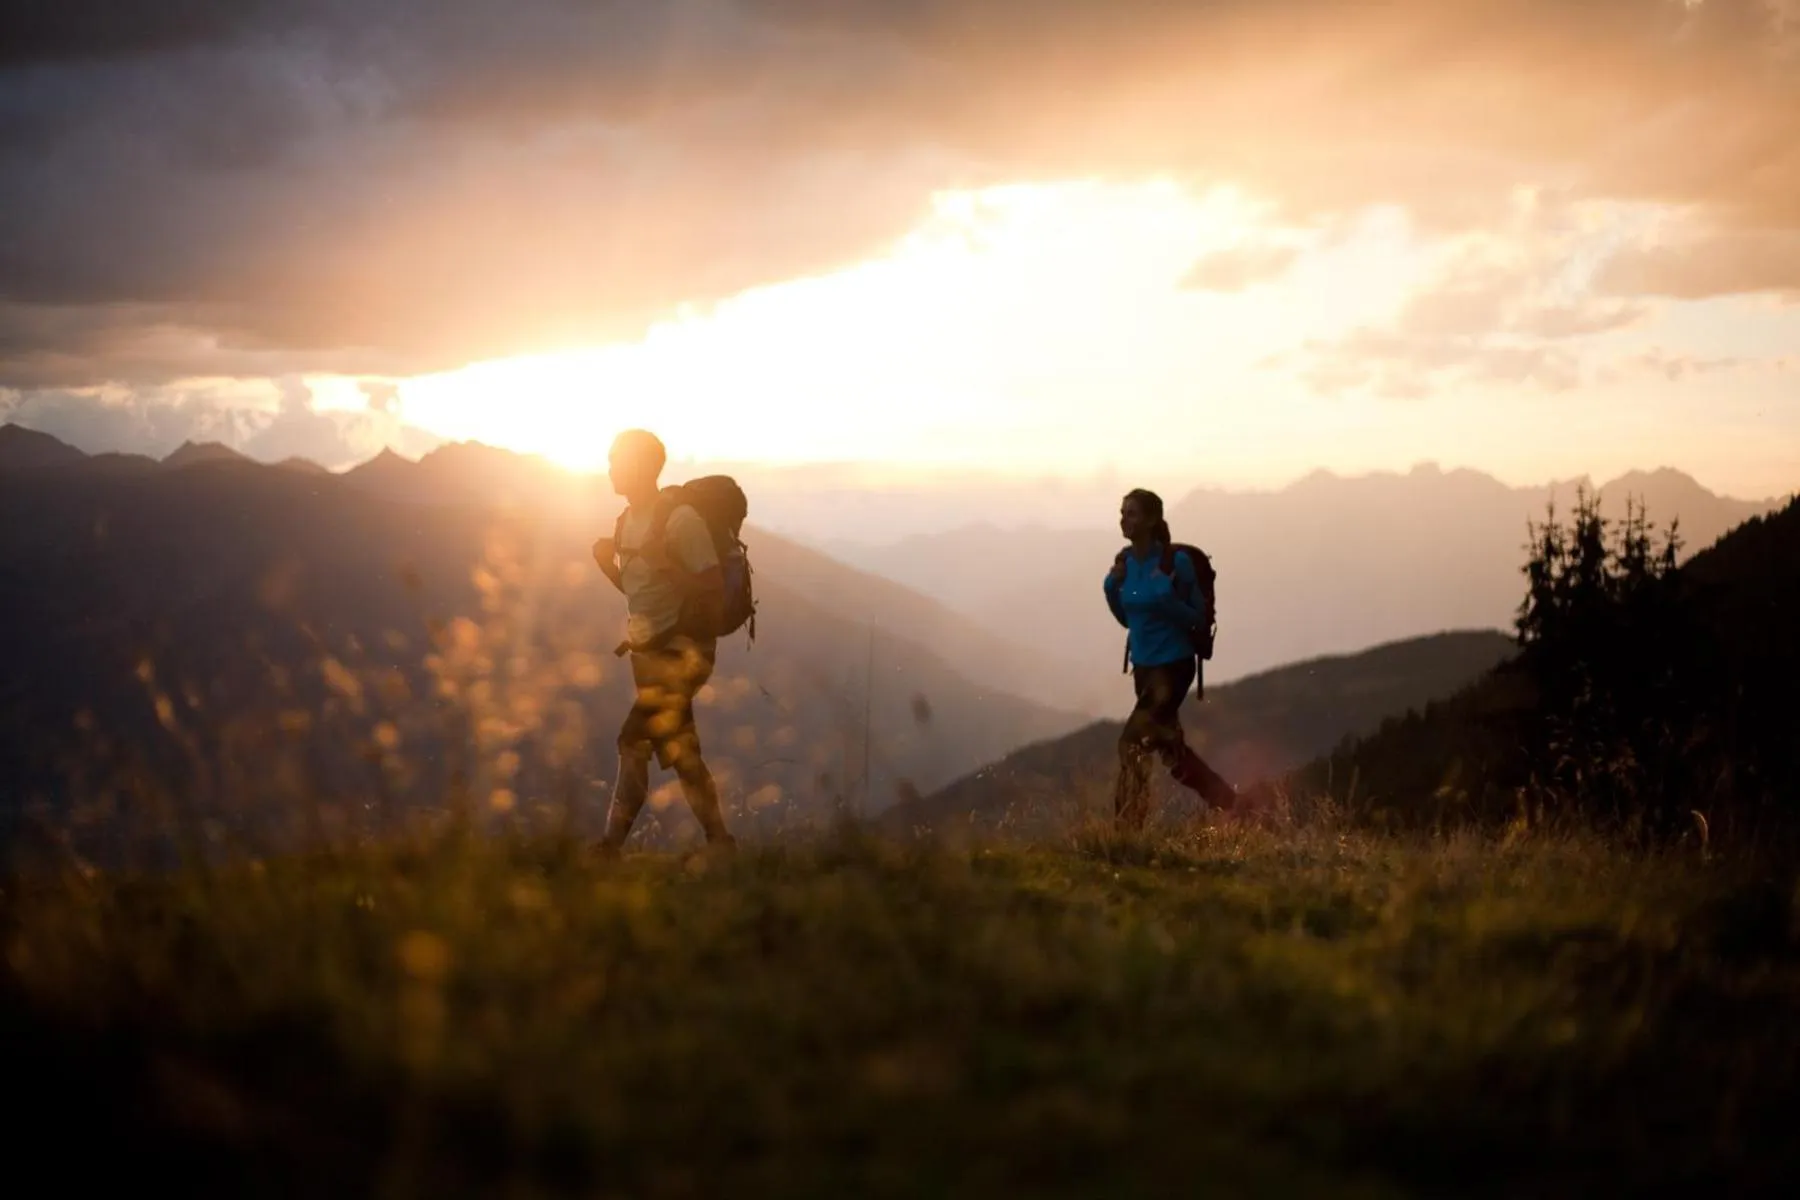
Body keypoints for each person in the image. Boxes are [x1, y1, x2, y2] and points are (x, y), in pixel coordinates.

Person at [590, 429, 736, 855]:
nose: (610, 468)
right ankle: (721, 842)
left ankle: (609, 847)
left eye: (616, 460)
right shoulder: (625, 523)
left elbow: (709, 586)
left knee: (631, 740)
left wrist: (665, 564)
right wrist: (607, 567)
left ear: (639, 465)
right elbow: (642, 592)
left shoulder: (680, 520)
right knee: (683, 752)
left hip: (685, 654)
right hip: (649, 657)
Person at [1104, 488, 1236, 828]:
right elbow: (1129, 619)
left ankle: (1126, 829)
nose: (1124, 519)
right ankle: (1234, 806)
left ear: (1151, 520)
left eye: (1131, 513)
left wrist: (1167, 598)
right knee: (1172, 756)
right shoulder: (1127, 564)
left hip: (1174, 668)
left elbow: (1196, 618)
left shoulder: (1174, 565)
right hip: (1145, 670)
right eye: (1122, 512)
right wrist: (1110, 590)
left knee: (1131, 743)